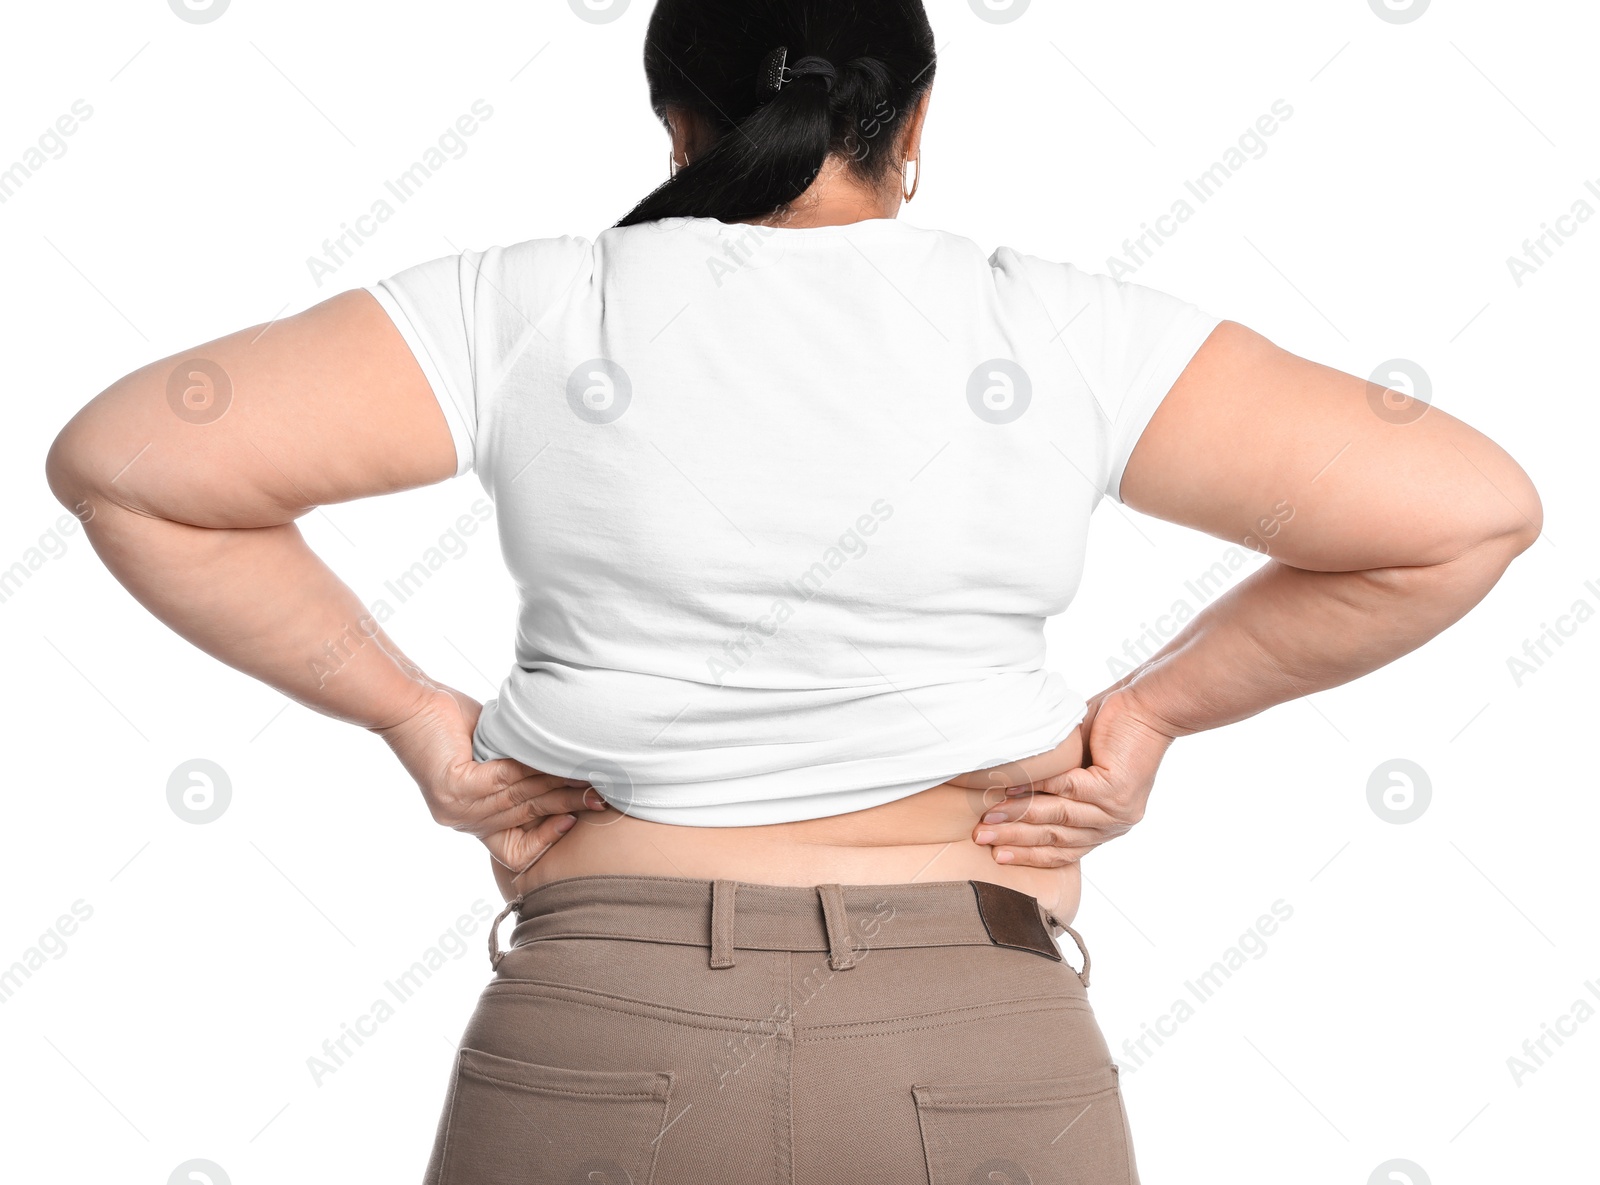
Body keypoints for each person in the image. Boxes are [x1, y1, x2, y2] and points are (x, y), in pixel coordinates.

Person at [44, 2, 1541, 1181]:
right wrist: (1149, 715)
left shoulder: (535, 302)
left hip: (605, 1025)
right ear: (919, 116)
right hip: (977, 1032)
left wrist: (415, 719)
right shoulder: (1056, 324)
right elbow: (1466, 513)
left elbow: (127, 466)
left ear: (675, 117)